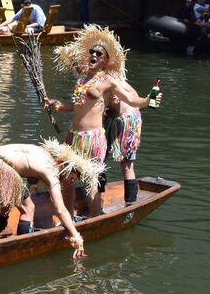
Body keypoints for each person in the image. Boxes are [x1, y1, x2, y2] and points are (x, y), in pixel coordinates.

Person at [44, 25, 150, 218]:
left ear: (105, 60)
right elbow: (78, 106)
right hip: (73, 137)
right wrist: (57, 105)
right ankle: (69, 218)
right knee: (66, 177)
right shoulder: (82, 81)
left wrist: (148, 100)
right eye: (91, 51)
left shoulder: (109, 81)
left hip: (93, 139)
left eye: (98, 53)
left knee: (91, 181)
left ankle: (95, 218)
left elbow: (132, 100)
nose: (93, 55)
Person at [0, 140, 101, 260]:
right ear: (67, 167)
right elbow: (60, 210)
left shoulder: (44, 155)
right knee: (29, 207)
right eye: (73, 177)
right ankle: (22, 250)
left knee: (7, 203)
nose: (72, 181)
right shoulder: (52, 172)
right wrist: (76, 236)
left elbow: (30, 176)